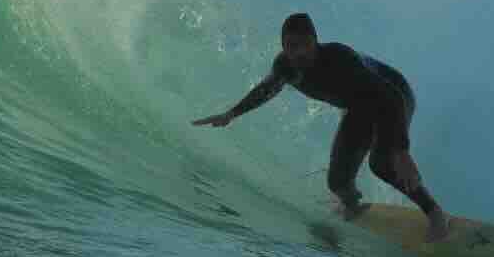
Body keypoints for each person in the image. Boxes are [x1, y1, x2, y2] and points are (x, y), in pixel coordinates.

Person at [193, 13, 451, 242]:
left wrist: (401, 150)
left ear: (316, 41)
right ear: (284, 47)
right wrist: (232, 114)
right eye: (292, 47)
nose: (300, 53)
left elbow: (388, 97)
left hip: (393, 95)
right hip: (360, 107)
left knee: (381, 163)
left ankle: (436, 213)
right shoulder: (285, 67)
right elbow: (266, 90)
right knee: (337, 182)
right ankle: (353, 207)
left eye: (306, 45)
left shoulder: (340, 59)